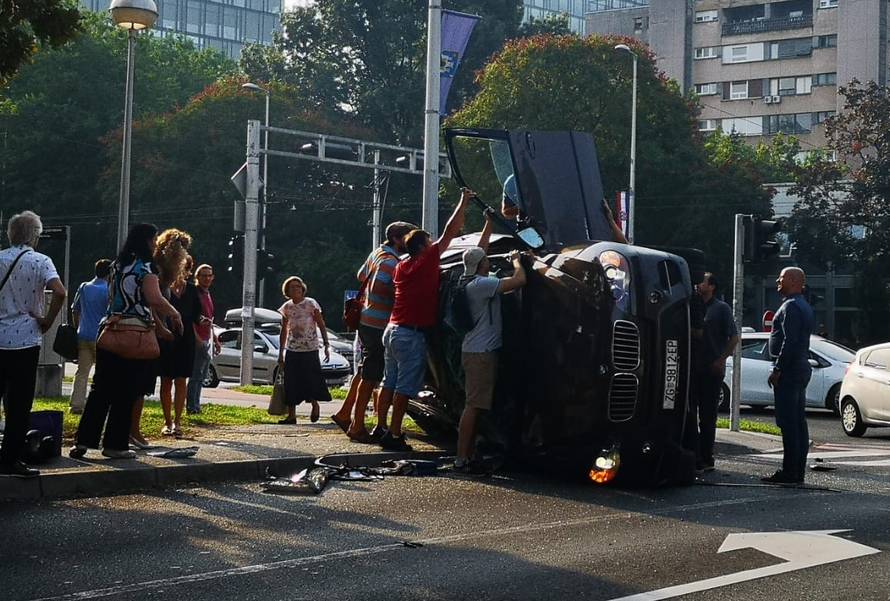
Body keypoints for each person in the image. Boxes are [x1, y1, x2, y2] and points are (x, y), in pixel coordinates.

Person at [71, 224, 182, 460]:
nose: (155, 244)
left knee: (100, 389)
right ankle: (115, 444)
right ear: (145, 241)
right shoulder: (146, 267)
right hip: (136, 335)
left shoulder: (116, 265)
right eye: (153, 240)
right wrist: (174, 313)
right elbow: (153, 299)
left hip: (110, 331)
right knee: (126, 391)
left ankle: (83, 441)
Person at [378, 188, 472, 451]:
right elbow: (450, 232)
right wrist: (463, 200)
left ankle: (381, 426)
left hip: (393, 329)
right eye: (429, 243)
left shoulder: (402, 266)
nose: (434, 246)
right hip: (410, 334)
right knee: (405, 386)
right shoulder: (424, 261)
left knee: (389, 381)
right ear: (422, 248)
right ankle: (395, 434)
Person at [455, 213, 527, 472]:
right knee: (474, 406)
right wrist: (517, 261)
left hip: (476, 351)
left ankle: (469, 453)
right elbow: (519, 281)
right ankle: (461, 457)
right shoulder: (482, 285)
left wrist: (488, 223)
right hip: (481, 354)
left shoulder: (467, 281)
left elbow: (478, 253)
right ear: (482, 266)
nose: (488, 260)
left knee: (477, 404)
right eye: (486, 260)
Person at [332, 221, 415, 443]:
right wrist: (401, 293)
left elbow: (362, 276)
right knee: (371, 376)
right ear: (398, 239)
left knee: (364, 371)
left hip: (367, 320)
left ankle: (344, 413)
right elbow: (379, 285)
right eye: (408, 237)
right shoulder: (390, 261)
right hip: (378, 323)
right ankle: (357, 426)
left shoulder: (378, 253)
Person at [0, 211, 66, 477]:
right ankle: (10, 459)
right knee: (18, 404)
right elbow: (60, 291)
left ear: (10, 234)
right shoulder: (41, 261)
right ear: (36, 237)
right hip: (25, 341)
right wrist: (47, 320)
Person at [763, 266, 814, 485]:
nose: (777, 281)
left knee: (788, 422)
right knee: (798, 421)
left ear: (793, 281)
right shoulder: (804, 306)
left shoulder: (791, 307)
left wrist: (778, 369)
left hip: (790, 370)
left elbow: (789, 341)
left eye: (781, 278)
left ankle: (790, 472)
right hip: (800, 367)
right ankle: (796, 471)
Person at [686, 272, 738, 472]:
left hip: (711, 368)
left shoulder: (721, 309)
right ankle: (694, 454)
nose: (699, 284)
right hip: (694, 366)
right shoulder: (694, 305)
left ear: (712, 286)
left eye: (703, 281)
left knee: (707, 416)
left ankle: (707, 457)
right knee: (691, 412)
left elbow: (733, 337)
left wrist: (721, 359)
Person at [156, 237, 201, 437]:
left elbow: (196, 315)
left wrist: (204, 323)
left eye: (187, 266)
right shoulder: (162, 285)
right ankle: (166, 421)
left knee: (181, 380)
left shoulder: (192, 290)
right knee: (166, 380)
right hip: (167, 337)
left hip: (186, 338)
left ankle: (177, 421)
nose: (184, 269)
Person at [278, 276, 331, 424]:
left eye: (298, 286)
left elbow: (321, 324)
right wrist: (281, 352)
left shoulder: (310, 304)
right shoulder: (286, 307)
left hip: (310, 348)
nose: (296, 289)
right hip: (293, 349)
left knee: (311, 379)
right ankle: (291, 414)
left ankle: (314, 405)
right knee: (291, 381)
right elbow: (284, 330)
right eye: (292, 287)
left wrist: (326, 344)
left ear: (303, 289)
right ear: (287, 290)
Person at [69, 259, 111, 414]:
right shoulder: (108, 290)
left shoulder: (84, 287)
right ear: (109, 272)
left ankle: (76, 405)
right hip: (101, 337)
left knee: (82, 372)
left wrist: (77, 327)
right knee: (102, 373)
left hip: (83, 334)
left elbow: (75, 310)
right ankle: (99, 406)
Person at [186, 263, 220, 414]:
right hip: (197, 339)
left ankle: (196, 405)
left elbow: (209, 319)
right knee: (195, 375)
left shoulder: (208, 294)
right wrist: (197, 339)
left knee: (202, 375)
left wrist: (215, 340)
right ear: (197, 277)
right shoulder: (194, 293)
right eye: (204, 275)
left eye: (209, 275)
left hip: (207, 338)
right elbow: (190, 317)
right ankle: (192, 407)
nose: (207, 278)